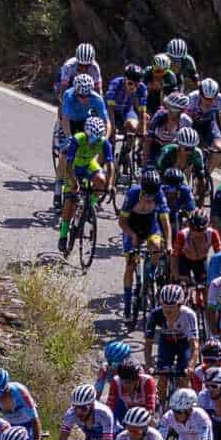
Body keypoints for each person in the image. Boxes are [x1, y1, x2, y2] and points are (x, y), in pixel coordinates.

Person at [57, 113, 113, 254]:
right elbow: (68, 165)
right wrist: (75, 182)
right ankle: (63, 235)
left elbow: (110, 165)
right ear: (86, 133)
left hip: (88, 164)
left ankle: (90, 205)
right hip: (73, 168)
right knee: (70, 199)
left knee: (101, 180)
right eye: (92, 138)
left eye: (97, 138)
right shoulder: (77, 139)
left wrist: (110, 185)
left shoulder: (104, 142)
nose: (94, 142)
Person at [117, 169, 170, 300]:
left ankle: (149, 276)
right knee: (130, 265)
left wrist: (169, 244)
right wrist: (133, 235)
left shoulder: (159, 195)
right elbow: (122, 222)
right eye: (147, 194)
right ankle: (128, 304)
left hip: (150, 226)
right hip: (132, 226)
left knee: (157, 246)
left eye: (153, 195)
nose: (150, 198)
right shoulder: (133, 193)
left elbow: (165, 222)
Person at [145, 284, 201, 385]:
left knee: (184, 379)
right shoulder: (154, 315)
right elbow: (148, 343)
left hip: (184, 344)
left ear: (180, 306)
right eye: (164, 308)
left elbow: (195, 346)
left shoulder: (189, 315)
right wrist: (149, 366)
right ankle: (161, 400)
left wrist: (191, 366)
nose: (167, 312)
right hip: (166, 343)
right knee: (162, 378)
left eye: (171, 309)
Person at [0, 366, 42, 436]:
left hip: (28, 424)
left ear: (6, 388)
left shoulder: (20, 392)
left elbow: (34, 419)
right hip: (10, 426)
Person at [186, 79, 221, 162]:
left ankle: (206, 174)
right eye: (206, 98)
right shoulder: (192, 98)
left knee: (218, 149)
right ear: (200, 94)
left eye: (212, 99)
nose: (208, 102)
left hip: (209, 124)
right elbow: (185, 121)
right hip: (192, 124)